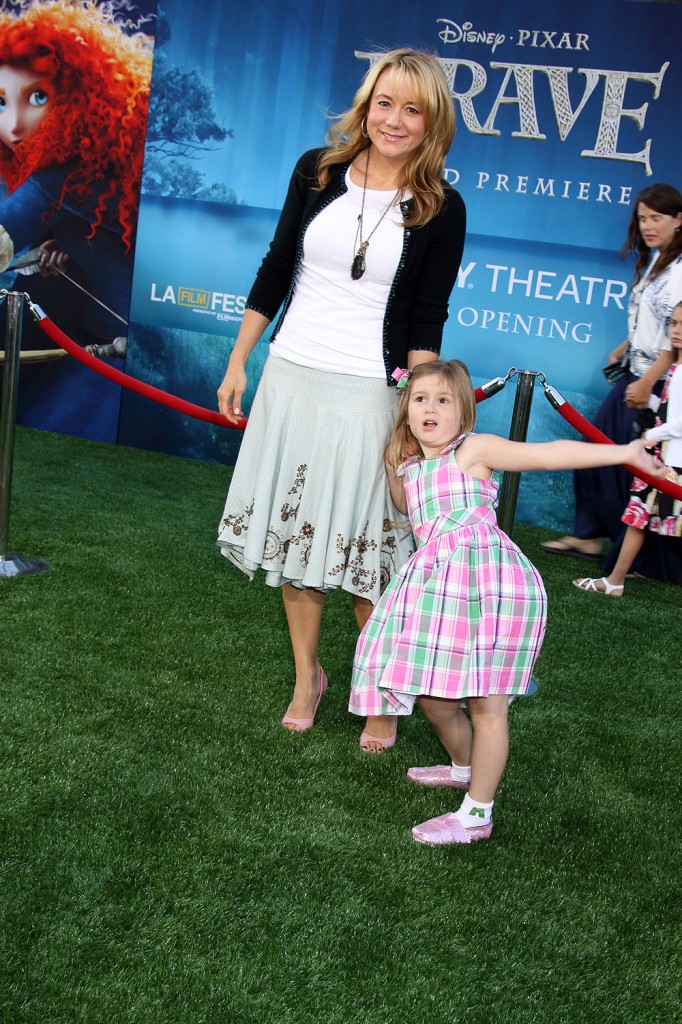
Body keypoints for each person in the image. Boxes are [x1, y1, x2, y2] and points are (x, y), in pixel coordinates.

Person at [216, 48, 466, 751]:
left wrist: (418, 417)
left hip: (370, 392)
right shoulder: (317, 171)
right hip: (293, 377)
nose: (394, 119)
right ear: (367, 103)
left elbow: (427, 319)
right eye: (385, 102)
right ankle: (308, 677)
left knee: (369, 558)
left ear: (431, 121)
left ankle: (380, 690)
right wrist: (241, 359)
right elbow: (274, 266)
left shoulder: (441, 209)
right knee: (299, 545)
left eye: (412, 109)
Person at [349, 360, 665, 845]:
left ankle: (477, 813)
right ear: (405, 410)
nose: (430, 408)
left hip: (492, 586)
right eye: (420, 399)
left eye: (443, 400)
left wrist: (626, 452)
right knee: (434, 699)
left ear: (465, 412)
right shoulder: (409, 466)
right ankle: (462, 768)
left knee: (487, 705)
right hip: (438, 589)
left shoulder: (473, 450)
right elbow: (407, 509)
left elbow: (548, 455)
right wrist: (396, 465)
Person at [541, 183, 681, 570]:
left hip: (660, 384)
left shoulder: (680, 269)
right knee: (600, 448)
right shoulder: (657, 259)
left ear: (678, 220)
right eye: (643, 218)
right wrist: (623, 348)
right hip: (636, 372)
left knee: (638, 462)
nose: (649, 225)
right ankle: (588, 535)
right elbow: (650, 321)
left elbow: (676, 338)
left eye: (657, 217)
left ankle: (633, 551)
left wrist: (648, 381)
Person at [0, 0, 153, 339]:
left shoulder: (56, 178)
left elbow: (4, 234)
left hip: (128, 349)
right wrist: (64, 241)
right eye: (0, 102)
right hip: (109, 334)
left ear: (76, 94)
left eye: (38, 97)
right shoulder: (78, 165)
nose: (13, 126)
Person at [573, 300, 682, 597]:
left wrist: (651, 435)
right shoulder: (675, 366)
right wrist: (648, 404)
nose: (676, 331)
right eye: (673, 323)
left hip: (668, 463)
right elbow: (670, 408)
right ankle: (616, 579)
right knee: (637, 519)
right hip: (664, 459)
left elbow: (679, 423)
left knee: (636, 519)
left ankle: (615, 581)